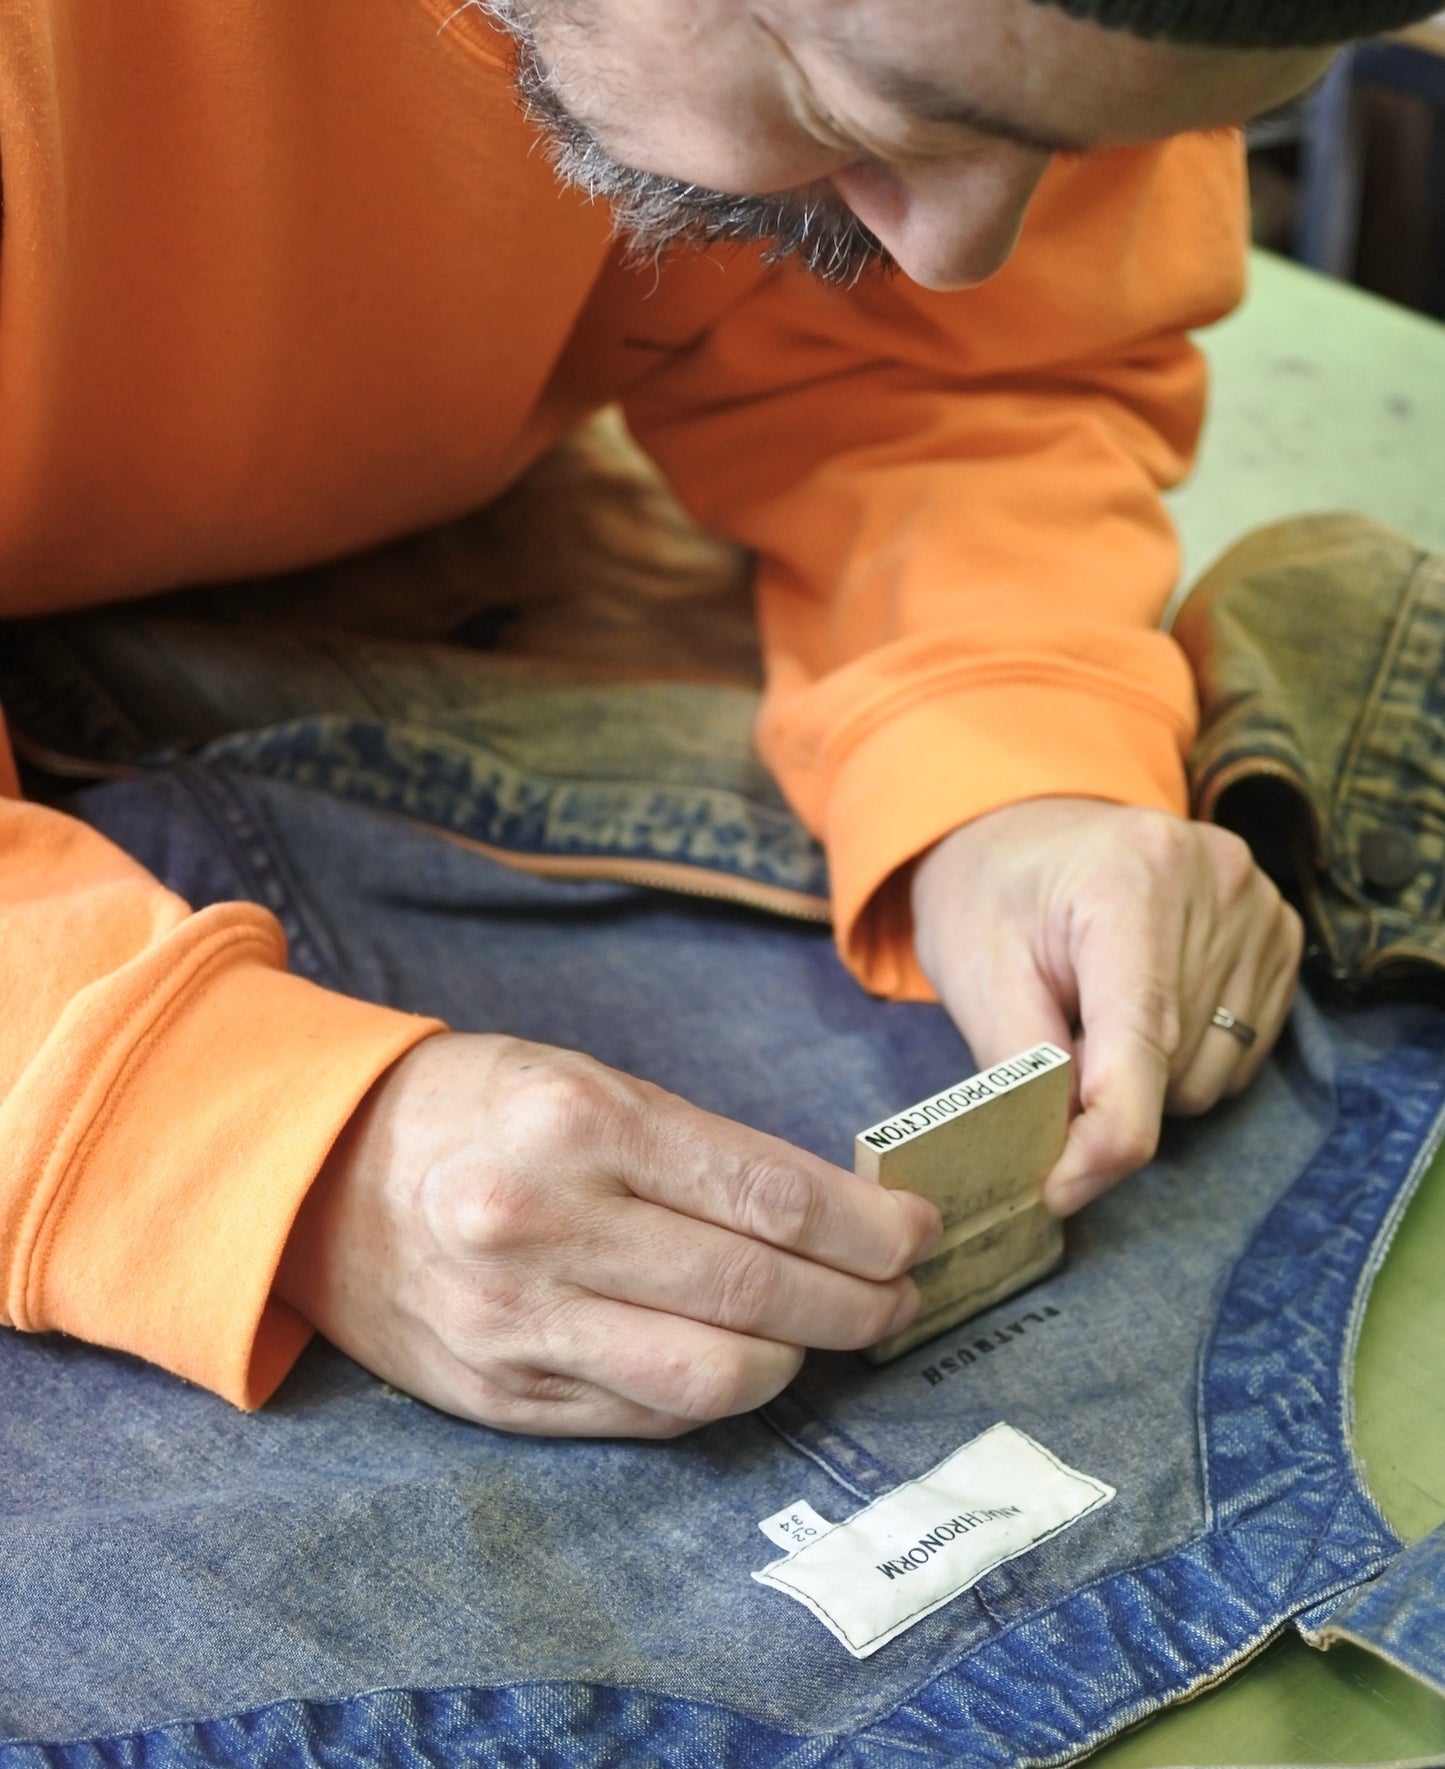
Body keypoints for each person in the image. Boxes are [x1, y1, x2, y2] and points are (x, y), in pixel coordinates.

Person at [0, 0, 1429, 1436]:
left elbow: (947, 360)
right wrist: (220, 1138)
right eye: (878, 112)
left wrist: (1005, 756)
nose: (959, 254)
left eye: (1070, 153)